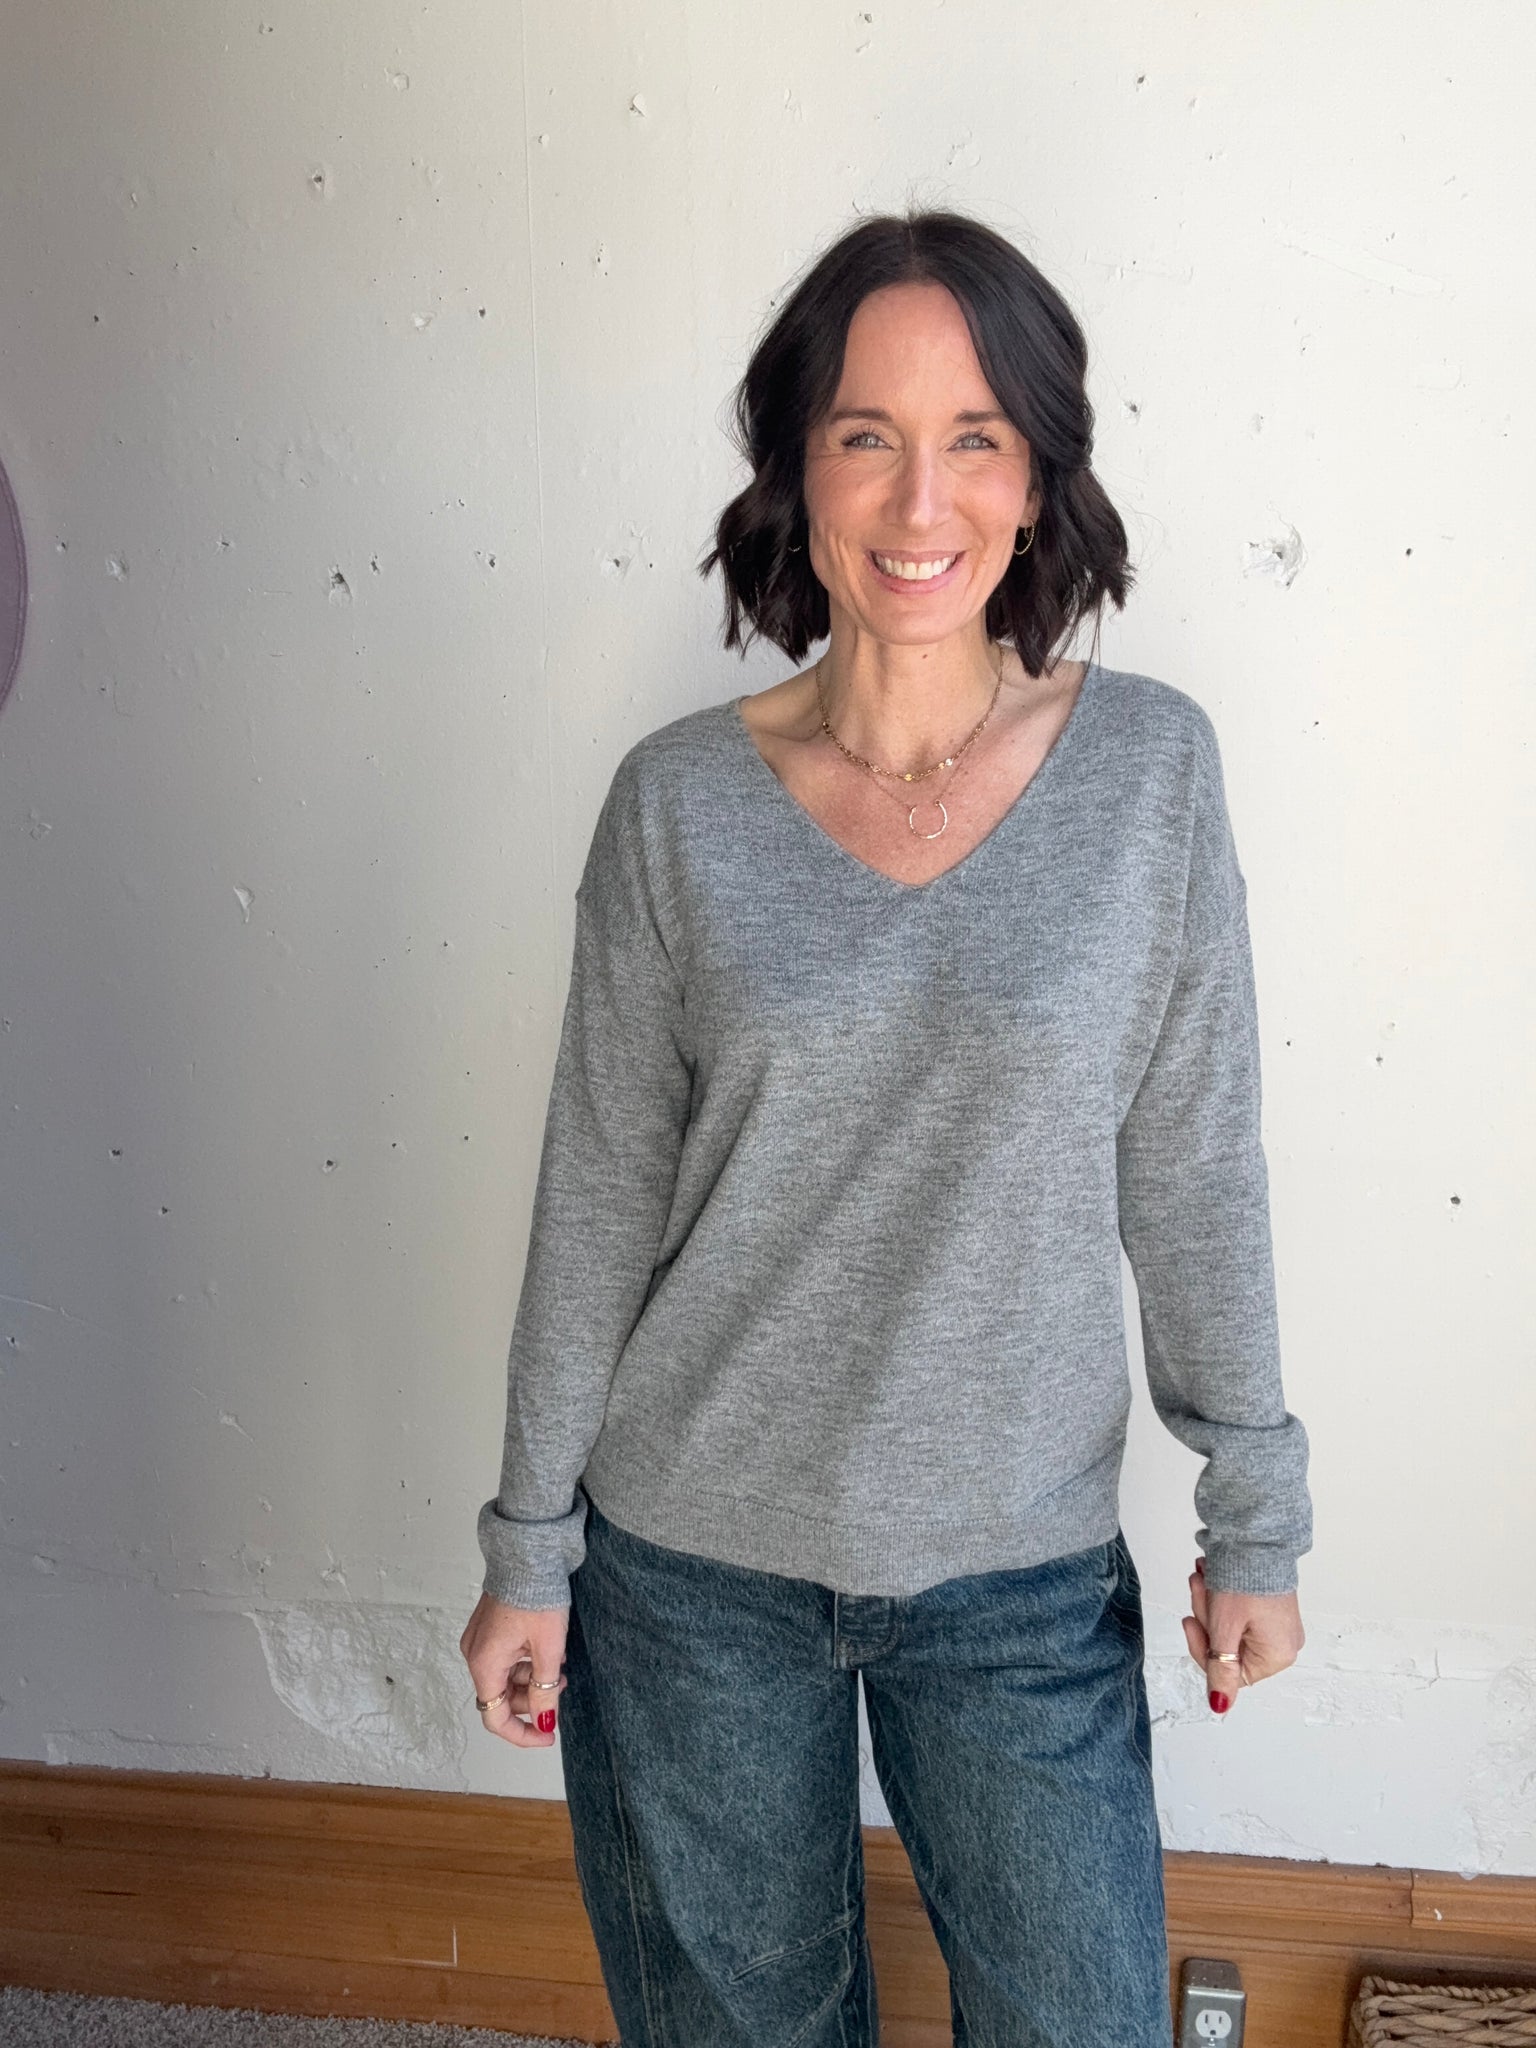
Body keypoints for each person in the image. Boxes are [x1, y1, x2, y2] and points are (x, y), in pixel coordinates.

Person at [460, 206, 1312, 2048]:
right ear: (799, 467)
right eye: (867, 434)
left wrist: (1255, 1510)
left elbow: (1194, 1170)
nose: (921, 500)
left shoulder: (1149, 774)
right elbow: (597, 1201)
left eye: (974, 438)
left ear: (1037, 477)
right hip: (691, 1570)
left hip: (1017, 1574)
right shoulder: (677, 806)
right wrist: (529, 1547)